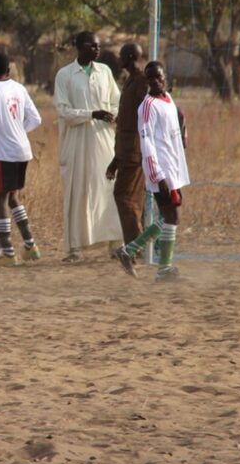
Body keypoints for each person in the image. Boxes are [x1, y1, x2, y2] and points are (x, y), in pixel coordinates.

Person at [116, 61, 189, 281]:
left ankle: (128, 251)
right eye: (150, 79)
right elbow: (146, 143)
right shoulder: (146, 106)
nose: (155, 81)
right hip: (160, 170)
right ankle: (163, 269)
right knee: (172, 215)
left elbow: (175, 121)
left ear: (165, 77)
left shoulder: (167, 99)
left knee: (170, 214)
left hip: (172, 167)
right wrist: (157, 176)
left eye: (158, 77)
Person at [53, 31, 123, 261]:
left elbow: (116, 102)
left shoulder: (104, 72)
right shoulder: (65, 75)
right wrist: (91, 114)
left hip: (103, 140)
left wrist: (111, 114)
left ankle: (115, 244)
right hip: (77, 142)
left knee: (108, 189)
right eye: (92, 46)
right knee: (78, 191)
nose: (96, 50)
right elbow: (63, 111)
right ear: (79, 47)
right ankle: (74, 248)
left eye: (98, 46)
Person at [0, 53, 43, 267]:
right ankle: (30, 245)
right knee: (13, 196)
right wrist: (18, 131)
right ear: (9, 71)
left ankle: (8, 252)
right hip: (22, 150)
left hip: (4, 153)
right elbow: (36, 119)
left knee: (0, 199)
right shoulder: (19, 88)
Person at [106, 42, 149, 246]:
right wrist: (116, 159)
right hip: (125, 152)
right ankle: (135, 244)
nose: (118, 59)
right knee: (130, 199)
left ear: (130, 57)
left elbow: (145, 117)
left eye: (121, 55)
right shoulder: (130, 80)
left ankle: (135, 245)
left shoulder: (141, 82)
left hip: (134, 152)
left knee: (125, 197)